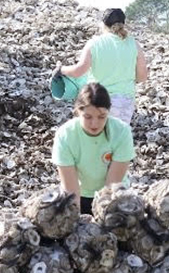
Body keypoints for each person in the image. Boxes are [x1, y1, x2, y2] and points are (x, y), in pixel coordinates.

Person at [52, 83, 136, 214]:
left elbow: (112, 185)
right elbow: (71, 189)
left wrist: (104, 217)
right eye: (88, 117)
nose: (94, 124)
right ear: (78, 111)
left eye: (102, 116)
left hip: (115, 195)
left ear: (109, 112)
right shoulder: (65, 135)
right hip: (80, 194)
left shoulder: (121, 132)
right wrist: (76, 220)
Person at [56, 8, 148, 124]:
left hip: (99, 100)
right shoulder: (133, 44)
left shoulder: (95, 43)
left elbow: (79, 71)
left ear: (103, 24)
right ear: (123, 25)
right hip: (125, 103)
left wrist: (61, 69)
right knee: (116, 140)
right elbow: (142, 77)